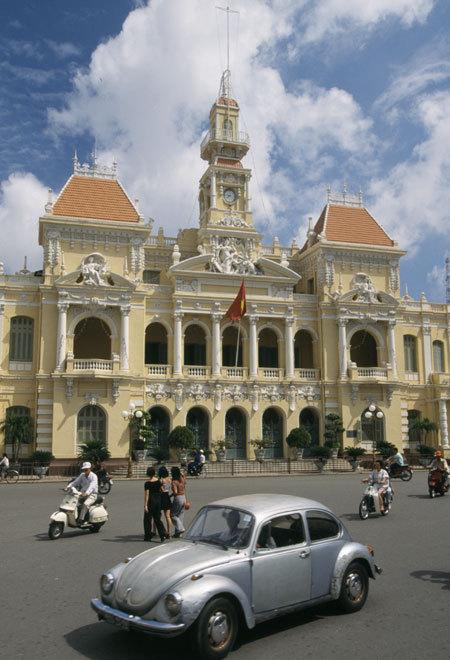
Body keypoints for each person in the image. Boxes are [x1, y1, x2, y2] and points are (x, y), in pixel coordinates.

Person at [67, 461, 98, 525]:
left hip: (92, 494)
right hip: (82, 493)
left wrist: (87, 493)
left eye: (86, 470)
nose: (85, 471)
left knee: (85, 504)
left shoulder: (94, 476)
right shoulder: (82, 475)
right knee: (73, 502)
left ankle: (81, 519)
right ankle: (74, 517)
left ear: (90, 469)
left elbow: (92, 486)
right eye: (84, 470)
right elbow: (75, 482)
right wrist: (68, 486)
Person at [144, 467, 166, 542]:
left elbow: (147, 494)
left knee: (147, 519)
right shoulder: (158, 481)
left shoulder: (147, 483)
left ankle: (148, 536)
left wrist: (145, 505)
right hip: (158, 501)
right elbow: (162, 490)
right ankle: (162, 535)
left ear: (148, 474)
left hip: (151, 501)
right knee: (157, 519)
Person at [170, 466, 187, 538]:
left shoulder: (174, 481)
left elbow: (175, 492)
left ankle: (180, 528)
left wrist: (170, 495)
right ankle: (178, 533)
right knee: (180, 515)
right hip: (184, 497)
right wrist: (183, 475)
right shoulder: (182, 479)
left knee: (172, 515)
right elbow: (185, 482)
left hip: (178, 498)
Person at [158, 466, 172, 539]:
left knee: (158, 515)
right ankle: (169, 532)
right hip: (167, 496)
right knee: (168, 516)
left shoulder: (161, 480)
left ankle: (157, 531)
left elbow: (161, 489)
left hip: (161, 497)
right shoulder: (169, 479)